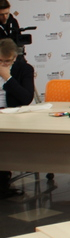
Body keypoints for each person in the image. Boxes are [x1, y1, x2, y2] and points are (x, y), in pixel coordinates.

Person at [0, 38, 35, 198]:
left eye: (7, 61)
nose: (3, 64)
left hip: (12, 114)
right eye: (0, 61)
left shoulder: (24, 69)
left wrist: (8, 78)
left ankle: (3, 183)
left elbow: (26, 98)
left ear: (14, 58)